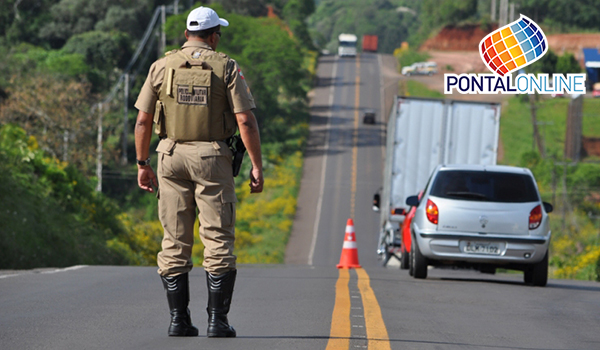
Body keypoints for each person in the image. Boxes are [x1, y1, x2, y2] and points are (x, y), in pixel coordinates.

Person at [133, 6, 263, 338]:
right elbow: (245, 120)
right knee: (217, 238)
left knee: (174, 239)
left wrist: (142, 164)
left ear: (188, 33)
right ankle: (217, 321)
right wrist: (256, 165)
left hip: (170, 155)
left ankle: (179, 320)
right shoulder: (227, 67)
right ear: (214, 35)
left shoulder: (161, 66)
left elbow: (143, 121)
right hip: (211, 157)